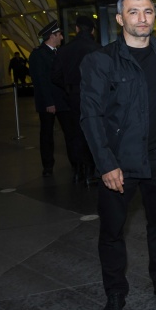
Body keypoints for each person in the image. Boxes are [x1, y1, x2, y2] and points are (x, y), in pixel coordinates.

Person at [79, 0, 156, 310]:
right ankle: (115, 294)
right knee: (112, 232)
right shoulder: (100, 61)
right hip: (120, 164)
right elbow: (91, 116)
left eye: (148, 12)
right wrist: (106, 164)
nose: (142, 18)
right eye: (133, 12)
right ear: (119, 19)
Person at [52, 16, 101, 184]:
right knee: (92, 132)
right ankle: (90, 169)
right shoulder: (97, 49)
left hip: (72, 96)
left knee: (74, 134)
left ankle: (77, 170)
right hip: (93, 96)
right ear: (92, 31)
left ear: (77, 29)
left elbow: (55, 76)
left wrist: (68, 86)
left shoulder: (64, 50)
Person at [28, 20, 75, 177]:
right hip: (48, 103)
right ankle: (48, 166)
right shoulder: (38, 55)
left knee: (70, 132)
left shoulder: (58, 52)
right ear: (52, 36)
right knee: (47, 135)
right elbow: (40, 80)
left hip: (62, 101)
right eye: (59, 35)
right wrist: (49, 102)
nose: (61, 37)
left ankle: (75, 164)